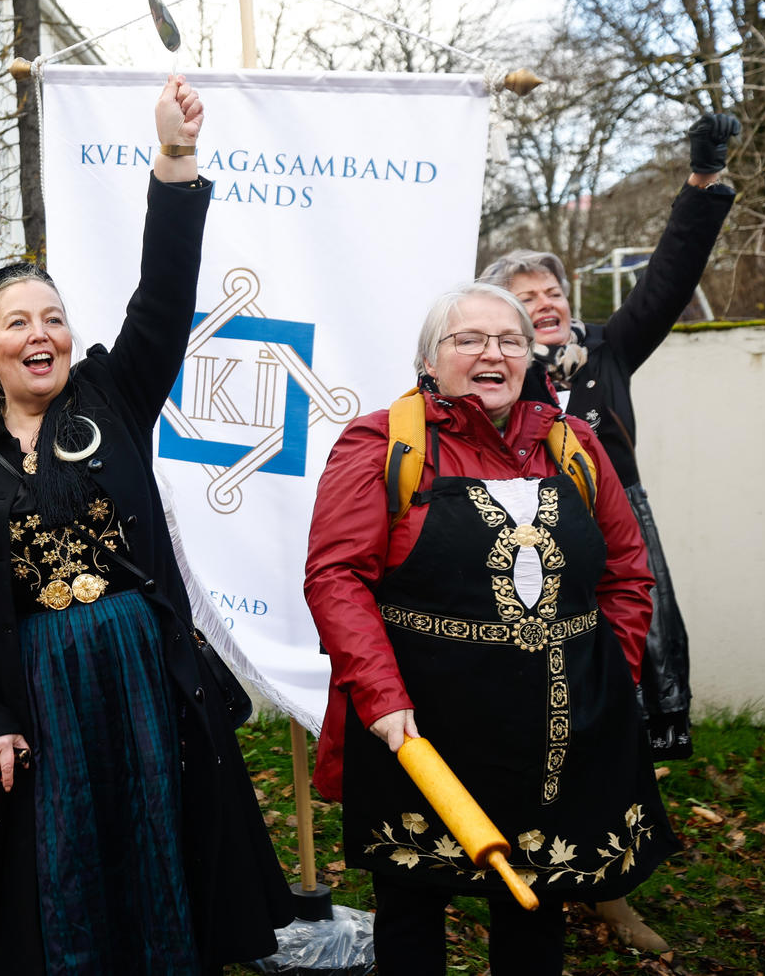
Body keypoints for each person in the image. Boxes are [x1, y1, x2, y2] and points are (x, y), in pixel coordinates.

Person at [0, 77, 294, 976]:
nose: (39, 333)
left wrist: (173, 158)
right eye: (18, 322)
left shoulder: (113, 397)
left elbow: (163, 295)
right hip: (33, 684)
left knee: (155, 847)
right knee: (55, 874)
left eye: (53, 317)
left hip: (138, 674)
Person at [303, 281, 678, 976]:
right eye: (469, 339)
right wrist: (382, 700)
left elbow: (627, 571)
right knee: (413, 908)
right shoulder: (384, 442)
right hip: (421, 737)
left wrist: (609, 673)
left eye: (509, 341)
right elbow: (335, 578)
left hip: (551, 739)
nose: (492, 354)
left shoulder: (573, 443)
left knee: (537, 905)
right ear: (430, 360)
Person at [478, 112, 739, 768]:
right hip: (535, 536)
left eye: (552, 291)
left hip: (621, 523)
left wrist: (702, 181)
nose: (547, 302)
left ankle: (625, 774)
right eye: (527, 296)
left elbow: (669, 277)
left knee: (632, 663)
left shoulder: (609, 350)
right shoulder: (498, 374)